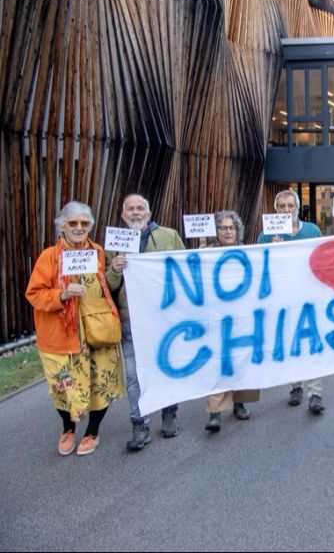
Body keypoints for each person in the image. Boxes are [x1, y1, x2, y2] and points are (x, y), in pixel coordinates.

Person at [25, 201, 124, 456]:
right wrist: (62, 294)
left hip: (97, 334)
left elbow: (106, 287)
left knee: (100, 383)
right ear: (62, 227)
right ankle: (68, 427)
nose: (79, 228)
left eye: (84, 223)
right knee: (62, 387)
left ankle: (92, 431)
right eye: (73, 223)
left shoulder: (98, 252)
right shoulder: (49, 257)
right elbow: (34, 294)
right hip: (62, 337)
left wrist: (114, 271)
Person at [105, 194, 184, 451]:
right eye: (131, 209)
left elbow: (184, 270)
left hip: (164, 318)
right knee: (134, 375)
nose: (136, 213)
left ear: (149, 214)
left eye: (141, 208)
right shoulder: (114, 244)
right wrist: (114, 269)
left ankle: (169, 412)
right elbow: (107, 287)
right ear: (123, 214)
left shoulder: (169, 236)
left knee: (167, 366)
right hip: (131, 320)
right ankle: (139, 423)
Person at [257, 189, 326, 414]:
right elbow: (260, 268)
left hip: (308, 299)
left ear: (298, 208)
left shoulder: (313, 231)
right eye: (281, 207)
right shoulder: (266, 235)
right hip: (281, 301)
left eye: (290, 206)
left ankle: (315, 392)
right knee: (289, 344)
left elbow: (322, 261)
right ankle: (295, 386)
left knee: (311, 345)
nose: (286, 210)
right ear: (275, 210)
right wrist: (272, 252)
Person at [202, 211, 261, 432]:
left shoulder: (248, 252)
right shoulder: (206, 254)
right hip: (217, 318)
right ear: (216, 232)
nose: (227, 231)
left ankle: (239, 403)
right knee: (218, 362)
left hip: (244, 317)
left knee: (242, 360)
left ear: (238, 230)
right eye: (223, 228)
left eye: (231, 227)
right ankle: (215, 411)